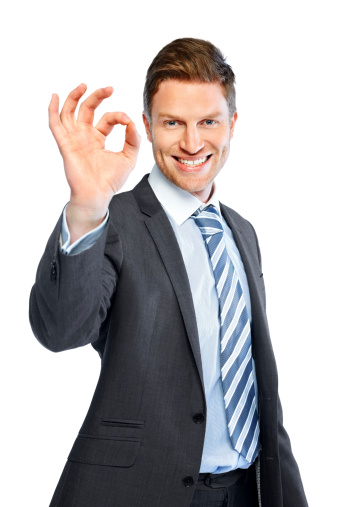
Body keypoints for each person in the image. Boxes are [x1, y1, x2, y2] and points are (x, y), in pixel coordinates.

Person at [29, 38, 308, 507]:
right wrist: (86, 205)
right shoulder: (113, 220)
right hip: (144, 492)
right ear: (147, 126)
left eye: (208, 122)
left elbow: (257, 384)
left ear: (232, 124)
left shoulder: (242, 232)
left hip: (248, 491)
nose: (193, 143)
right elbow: (59, 330)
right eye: (173, 123)